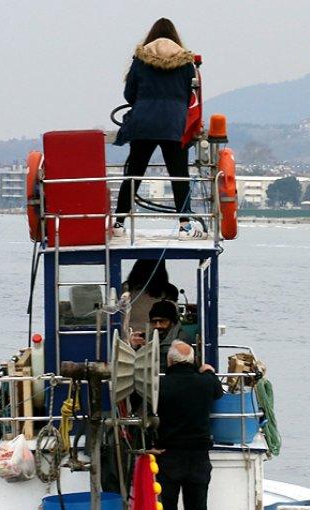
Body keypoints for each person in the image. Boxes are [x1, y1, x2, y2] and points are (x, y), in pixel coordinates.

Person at [114, 18, 195, 230]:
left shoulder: (140, 59)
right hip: (175, 124)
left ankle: (120, 221)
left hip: (144, 123)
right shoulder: (187, 62)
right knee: (179, 175)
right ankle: (184, 222)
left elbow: (129, 93)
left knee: (134, 173)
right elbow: (190, 96)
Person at [153, 340, 223, 510]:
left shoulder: (160, 385)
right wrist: (208, 371)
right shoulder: (206, 382)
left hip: (168, 457)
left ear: (169, 361)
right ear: (193, 360)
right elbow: (218, 391)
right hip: (198, 458)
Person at [122, 259, 179, 336]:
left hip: (126, 337)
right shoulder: (169, 291)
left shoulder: (124, 289)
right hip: (156, 338)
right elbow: (173, 320)